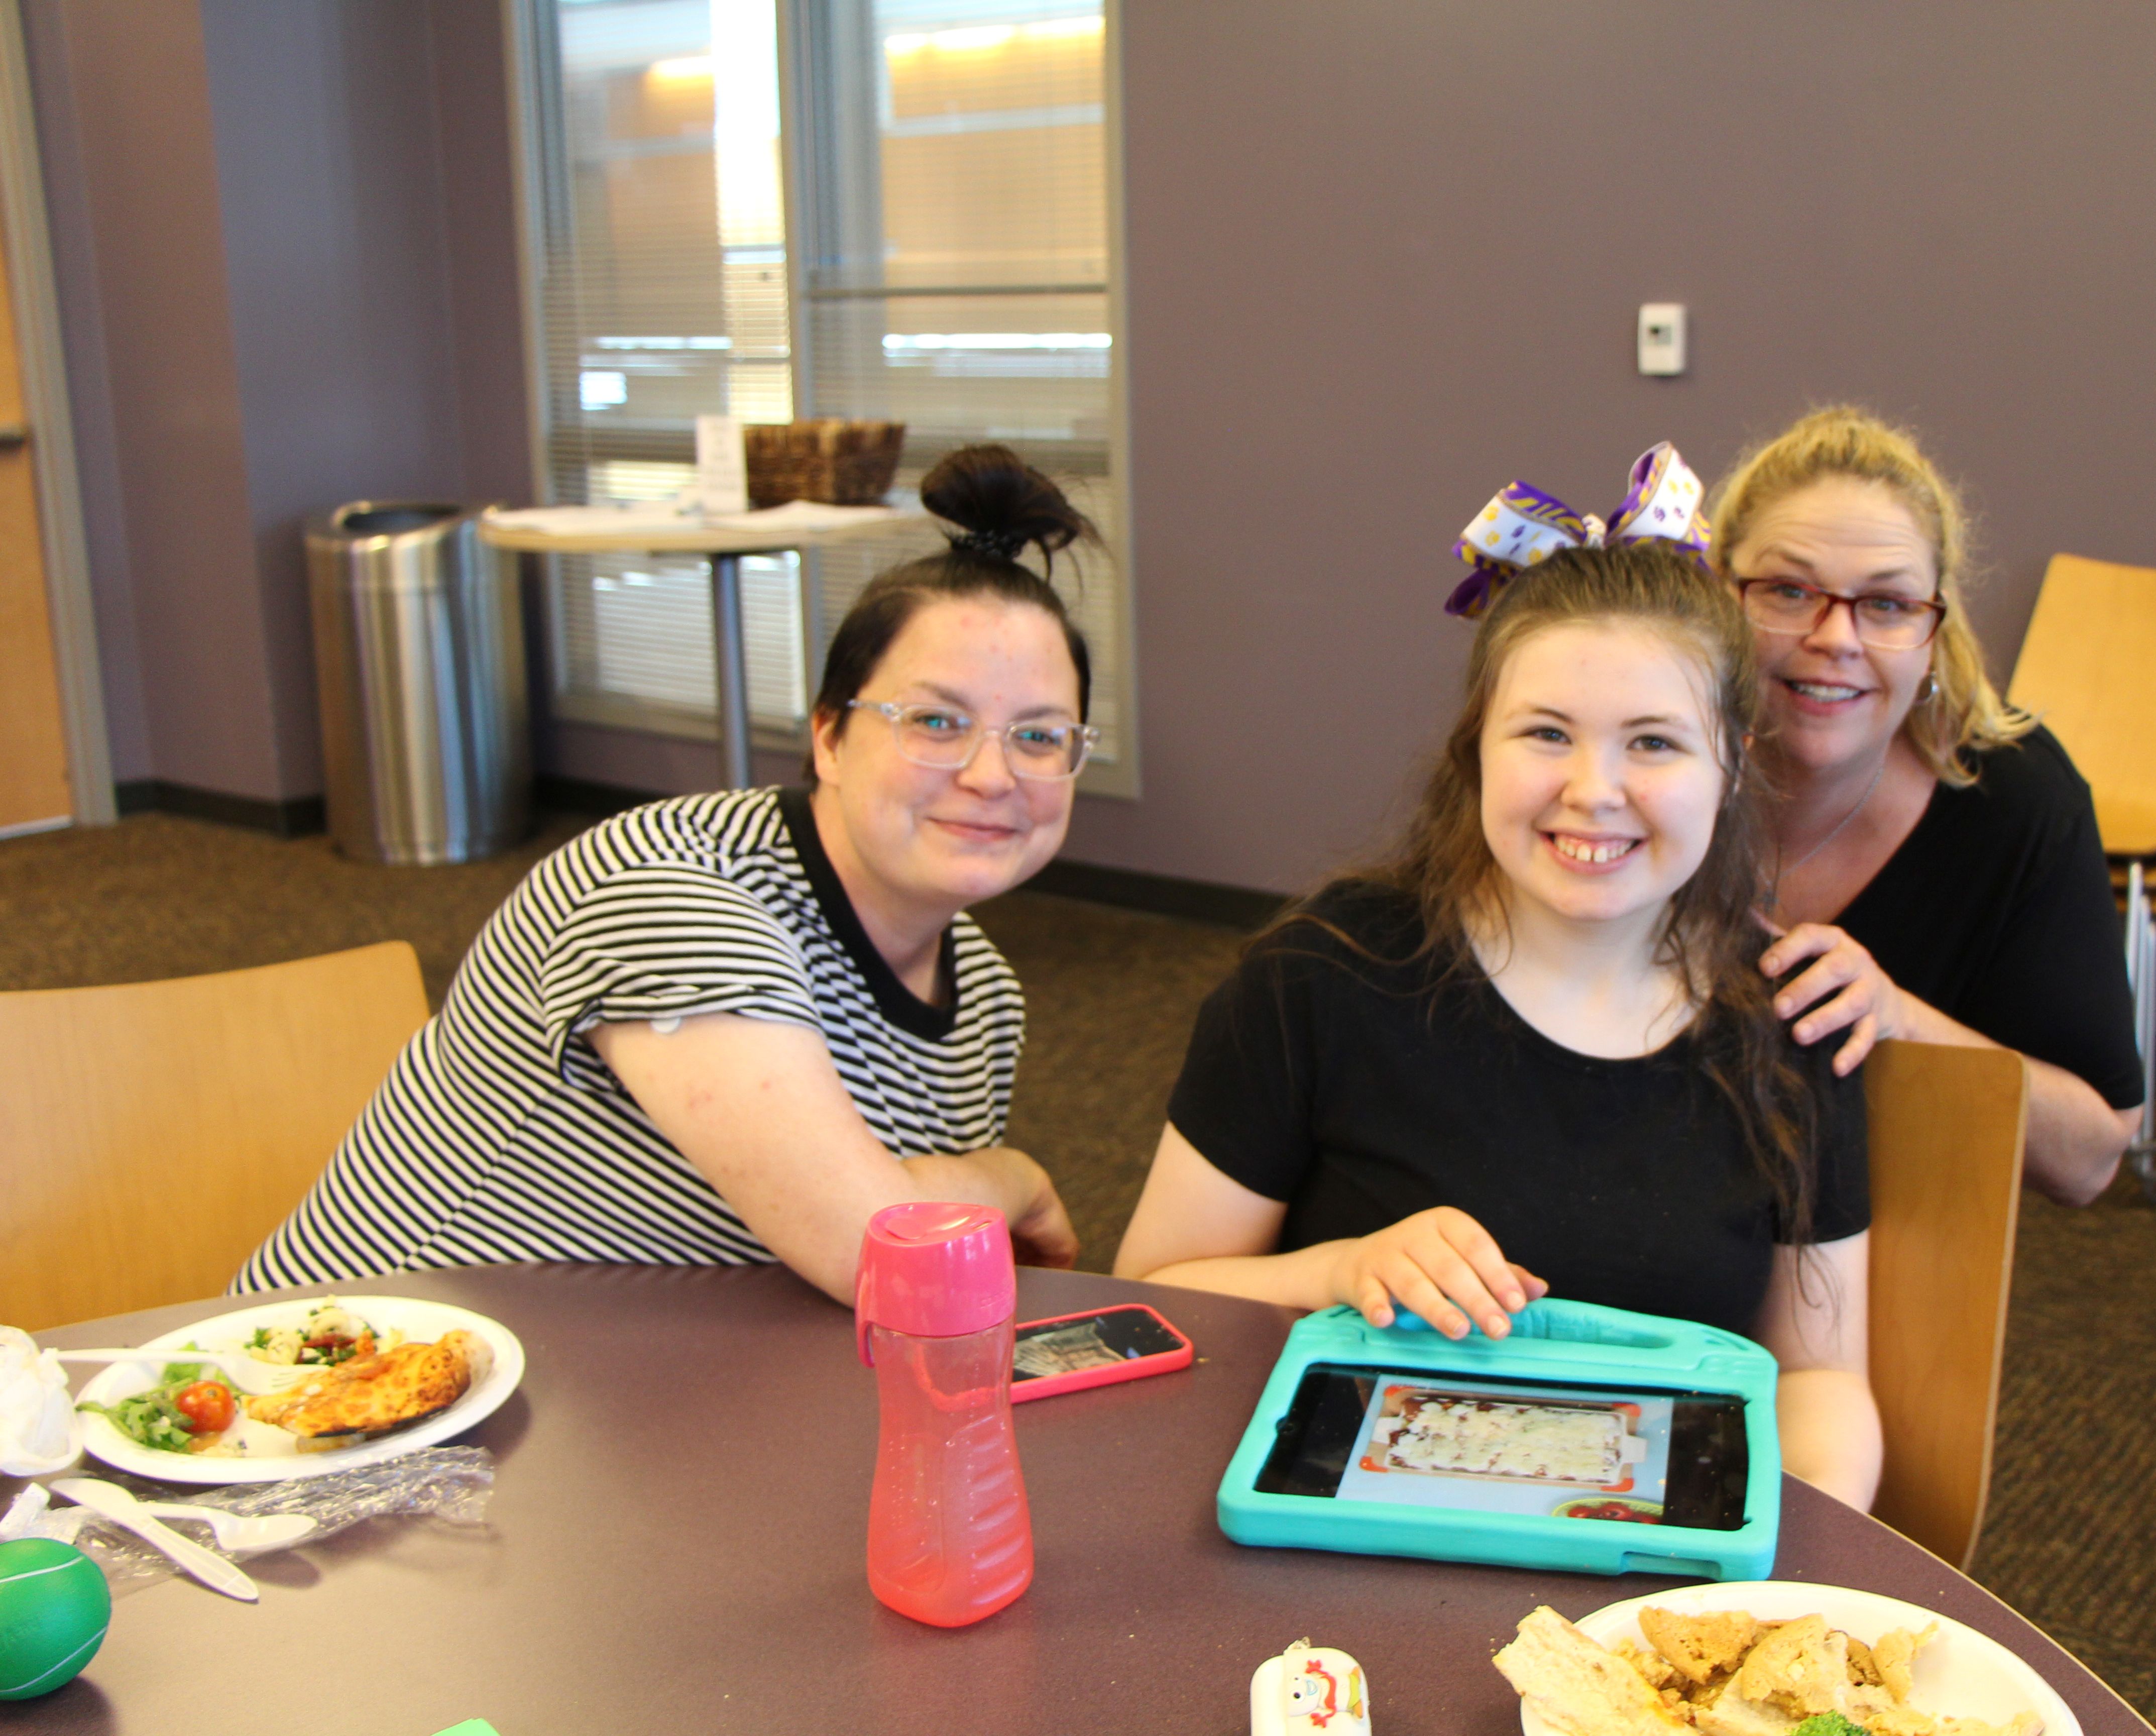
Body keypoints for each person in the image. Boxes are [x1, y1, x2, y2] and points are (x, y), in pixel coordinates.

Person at [1114, 447, 1881, 1509]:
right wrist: (1338, 1274)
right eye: (1547, 733)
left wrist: (1784, 1569)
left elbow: (1821, 1377)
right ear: (1477, 748)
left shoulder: (1792, 1016)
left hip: (1647, 1573)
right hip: (1341, 1543)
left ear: (1732, 766)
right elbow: (1148, 1302)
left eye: (1653, 743)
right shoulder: (1322, 978)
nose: (1592, 790)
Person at [237, 445, 1095, 1301]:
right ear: (829, 739)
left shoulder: (982, 992)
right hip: (351, 1381)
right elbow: (884, 1260)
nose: (992, 776)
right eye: (936, 721)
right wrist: (1014, 1177)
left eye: (1039, 735)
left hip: (632, 1396)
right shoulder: (670, 891)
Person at [1708, 407, 2144, 1206]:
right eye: (1788, 590)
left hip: (1892, 1240)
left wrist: (1898, 1021)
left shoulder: (2018, 806)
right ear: (1718, 596)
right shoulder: (1638, 756)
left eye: (1887, 605)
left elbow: (2090, 1161)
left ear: (1934, 634)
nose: (1836, 636)